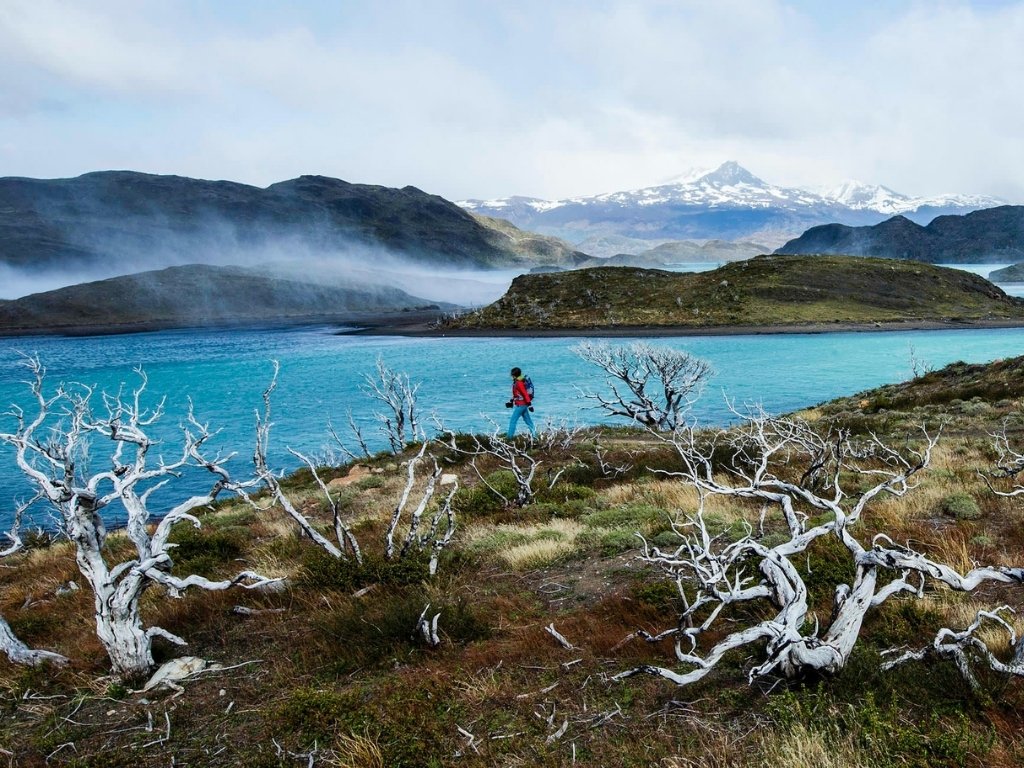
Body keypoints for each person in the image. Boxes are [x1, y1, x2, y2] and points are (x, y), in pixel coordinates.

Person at [506, 366, 536, 438]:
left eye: (511, 374)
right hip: (523, 404)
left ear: (514, 375)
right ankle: (535, 438)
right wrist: (511, 401)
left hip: (521, 405)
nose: (510, 376)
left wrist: (530, 405)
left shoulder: (519, 383)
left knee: (513, 421)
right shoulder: (517, 382)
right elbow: (517, 394)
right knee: (529, 422)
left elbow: (525, 394)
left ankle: (509, 438)